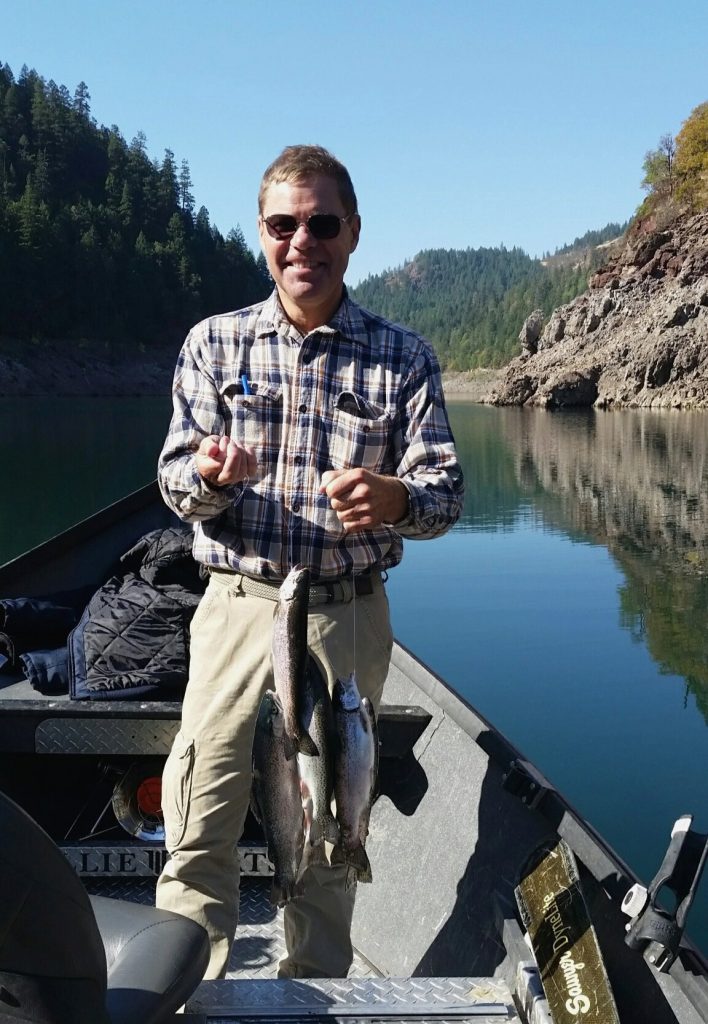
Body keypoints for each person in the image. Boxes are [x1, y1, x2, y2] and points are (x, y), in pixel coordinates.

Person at [155, 144, 464, 980]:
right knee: (202, 811)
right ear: (261, 233)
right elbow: (174, 482)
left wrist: (398, 499)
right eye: (283, 225)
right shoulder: (214, 345)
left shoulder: (403, 357)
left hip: (345, 617)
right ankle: (185, 995)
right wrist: (210, 478)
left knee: (330, 829)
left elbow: (447, 493)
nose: (303, 243)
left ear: (352, 232)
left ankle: (313, 993)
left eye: (321, 224)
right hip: (235, 608)